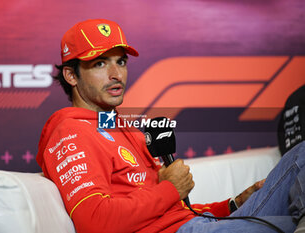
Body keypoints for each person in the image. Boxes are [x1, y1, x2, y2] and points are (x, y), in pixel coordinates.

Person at [36, 19, 305, 233]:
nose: (116, 74)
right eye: (99, 63)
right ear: (71, 75)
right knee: (290, 223)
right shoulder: (72, 131)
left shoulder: (121, 129)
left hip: (201, 222)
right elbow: (94, 222)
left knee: (301, 154)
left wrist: (231, 204)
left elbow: (167, 211)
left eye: (121, 61)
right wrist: (169, 189)